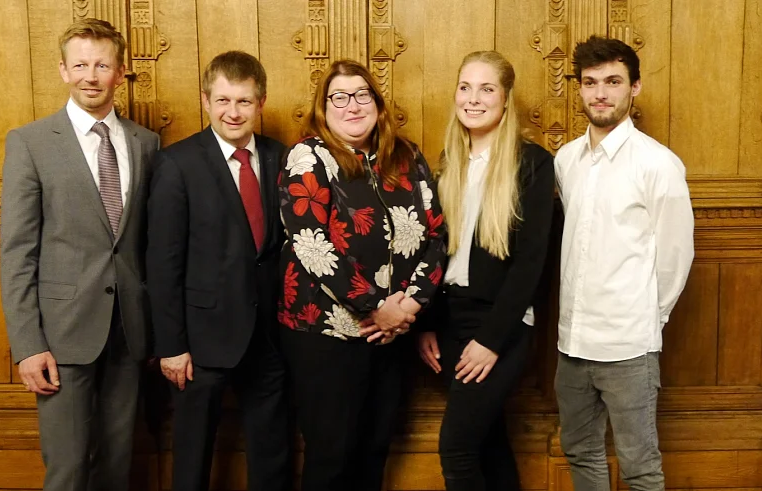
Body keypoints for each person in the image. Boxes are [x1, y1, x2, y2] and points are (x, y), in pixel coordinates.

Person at [0, 18, 160, 491]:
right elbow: (17, 253)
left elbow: (150, 243)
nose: (92, 75)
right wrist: (28, 344)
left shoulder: (145, 144)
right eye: (81, 65)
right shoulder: (30, 143)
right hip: (61, 336)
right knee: (67, 468)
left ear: (121, 71)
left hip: (129, 333)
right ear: (64, 71)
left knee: (117, 465)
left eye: (102, 64)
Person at [277, 59, 447, 491]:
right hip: (326, 334)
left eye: (361, 95)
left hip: (393, 333)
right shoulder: (308, 157)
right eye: (339, 97)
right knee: (332, 456)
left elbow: (437, 234)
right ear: (324, 107)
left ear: (376, 103)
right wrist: (376, 307)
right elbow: (312, 244)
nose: (352, 106)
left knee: (374, 451)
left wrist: (408, 306)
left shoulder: (405, 155)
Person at [554, 35, 694, 491]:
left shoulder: (658, 164)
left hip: (629, 347)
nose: (600, 93)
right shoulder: (566, 160)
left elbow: (676, 255)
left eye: (613, 81)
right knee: (581, 452)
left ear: (634, 88)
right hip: (571, 344)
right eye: (591, 82)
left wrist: (647, 321)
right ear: (578, 88)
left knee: (640, 467)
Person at [146, 51, 290, 491]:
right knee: (192, 456)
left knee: (273, 452)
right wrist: (171, 346)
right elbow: (162, 262)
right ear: (206, 100)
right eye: (224, 100)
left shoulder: (281, 157)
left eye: (244, 101)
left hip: (269, 336)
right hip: (200, 341)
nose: (233, 112)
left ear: (261, 103)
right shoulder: (177, 164)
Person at [416, 51, 555, 491]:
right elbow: (439, 255)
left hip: (502, 325)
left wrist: (492, 340)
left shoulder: (532, 163)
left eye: (486, 89)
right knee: (489, 445)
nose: (473, 99)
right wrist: (429, 324)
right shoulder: (449, 161)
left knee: (457, 449)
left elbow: (532, 263)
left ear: (506, 98)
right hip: (454, 321)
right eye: (465, 87)